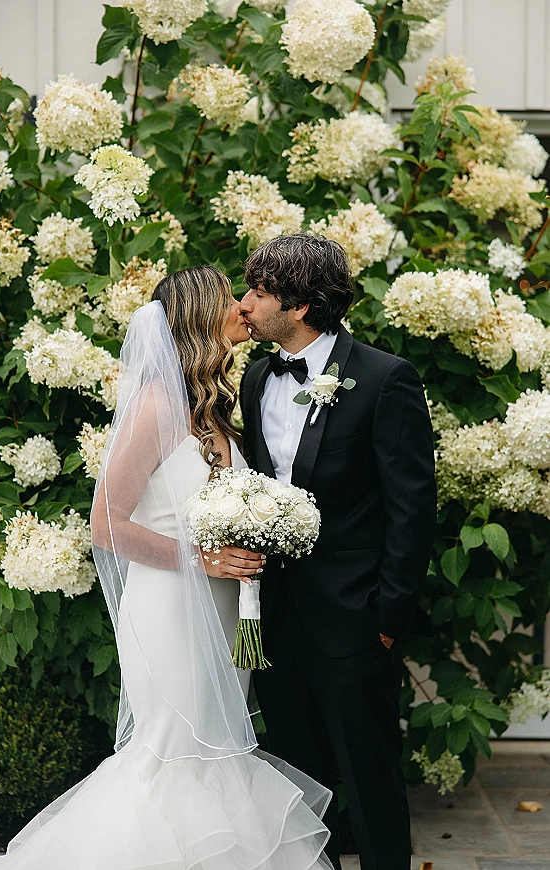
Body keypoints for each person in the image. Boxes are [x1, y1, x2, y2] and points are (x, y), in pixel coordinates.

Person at [0, 266, 333, 870]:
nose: (244, 309)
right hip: (171, 604)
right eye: (227, 301)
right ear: (195, 315)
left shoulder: (210, 408)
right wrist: (201, 558)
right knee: (176, 749)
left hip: (221, 603)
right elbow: (106, 523)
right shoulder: (156, 405)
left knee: (219, 745)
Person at [238, 235, 437, 870]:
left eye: (260, 292)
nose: (245, 305)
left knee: (371, 781)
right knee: (296, 785)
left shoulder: (385, 379)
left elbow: (411, 508)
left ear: (298, 307)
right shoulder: (257, 374)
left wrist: (387, 621)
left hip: (356, 621)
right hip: (276, 615)